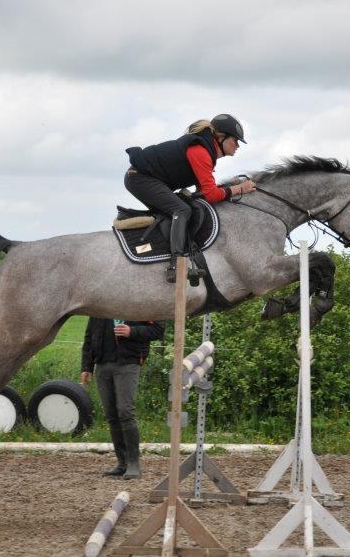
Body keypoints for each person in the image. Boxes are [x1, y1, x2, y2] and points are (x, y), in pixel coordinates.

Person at [125, 114, 257, 283]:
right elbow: (211, 195)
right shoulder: (200, 151)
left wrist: (230, 189)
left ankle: (161, 252)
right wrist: (240, 188)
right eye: (235, 140)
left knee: (187, 207)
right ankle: (176, 263)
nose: (238, 145)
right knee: (182, 209)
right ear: (221, 137)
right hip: (139, 178)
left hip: (145, 178)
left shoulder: (205, 150)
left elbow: (204, 192)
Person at [80, 316, 164, 479]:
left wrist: (131, 331)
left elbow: (158, 330)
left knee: (125, 411)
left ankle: (133, 464)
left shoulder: (138, 301)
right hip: (102, 364)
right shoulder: (100, 303)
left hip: (128, 363)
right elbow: (89, 335)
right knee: (111, 415)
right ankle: (122, 463)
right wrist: (86, 366)